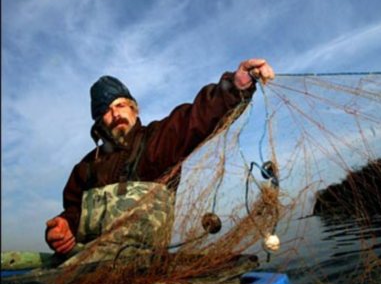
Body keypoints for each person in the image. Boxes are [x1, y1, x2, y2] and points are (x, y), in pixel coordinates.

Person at [45, 58, 275, 258]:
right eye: (106, 110)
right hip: (84, 263)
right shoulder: (85, 168)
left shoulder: (157, 141)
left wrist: (234, 86)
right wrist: (62, 227)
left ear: (134, 110)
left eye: (121, 105)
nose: (116, 114)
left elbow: (197, 118)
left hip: (143, 267)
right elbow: (74, 212)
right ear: (98, 122)